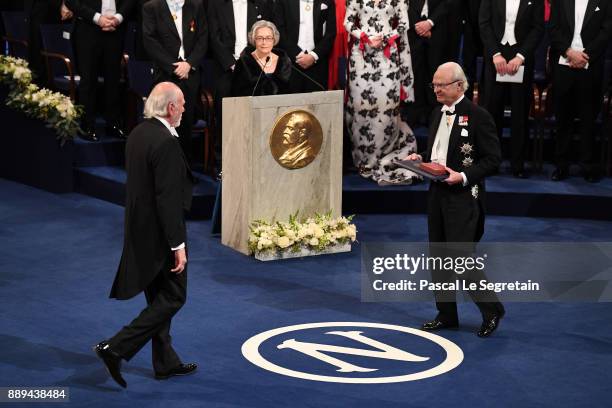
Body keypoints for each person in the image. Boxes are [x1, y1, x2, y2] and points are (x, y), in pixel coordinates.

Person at [93, 82, 196, 388]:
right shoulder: (165, 142)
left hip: (140, 230)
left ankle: (165, 362)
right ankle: (116, 347)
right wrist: (177, 245)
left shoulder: (139, 132)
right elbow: (167, 199)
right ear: (171, 107)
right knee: (174, 297)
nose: (186, 109)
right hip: (161, 234)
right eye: (183, 103)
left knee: (159, 298)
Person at [405, 62, 505, 337]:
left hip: (463, 196)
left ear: (459, 86)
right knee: (437, 256)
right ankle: (446, 313)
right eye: (434, 84)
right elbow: (439, 154)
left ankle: (491, 309)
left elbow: (493, 159)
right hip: (437, 193)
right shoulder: (438, 113)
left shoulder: (478, 116)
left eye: (441, 85)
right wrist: (420, 162)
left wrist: (462, 176)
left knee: (460, 258)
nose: (435, 89)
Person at [344, 0, 417, 186]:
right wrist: (364, 36)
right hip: (360, 56)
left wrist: (385, 38)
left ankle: (383, 155)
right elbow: (348, 21)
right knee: (361, 108)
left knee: (386, 108)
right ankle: (363, 160)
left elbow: (403, 23)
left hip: (387, 56)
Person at [479, 0, 544, 178]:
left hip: (521, 61)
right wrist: (495, 54)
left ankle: (518, 165)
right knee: (492, 114)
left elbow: (538, 28)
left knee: (520, 115)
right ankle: (491, 162)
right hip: (495, 60)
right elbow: (484, 23)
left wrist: (521, 56)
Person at [549, 0, 612, 183]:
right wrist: (569, 52)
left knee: (588, 118)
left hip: (590, 66)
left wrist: (585, 55)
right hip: (563, 64)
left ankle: (588, 165)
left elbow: (606, 31)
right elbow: (553, 29)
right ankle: (561, 165)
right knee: (563, 118)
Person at [208, 0, 272, 178]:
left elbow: (265, 35)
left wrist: (246, 62)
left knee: (254, 117)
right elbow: (214, 37)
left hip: (253, 69)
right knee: (224, 117)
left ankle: (254, 164)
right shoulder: (216, 5)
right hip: (225, 69)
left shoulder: (260, 4)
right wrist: (231, 63)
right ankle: (223, 164)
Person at [142, 0, 208, 165]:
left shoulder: (196, 5)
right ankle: (163, 167)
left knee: (186, 123)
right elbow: (150, 41)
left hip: (190, 74)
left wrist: (189, 64)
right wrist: (173, 67)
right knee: (165, 124)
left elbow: (203, 38)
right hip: (165, 74)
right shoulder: (152, 7)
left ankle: (184, 169)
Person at [65, 0, 134, 141]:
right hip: (87, 29)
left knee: (113, 79)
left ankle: (113, 124)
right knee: (88, 80)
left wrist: (118, 18)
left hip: (116, 29)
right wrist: (98, 18)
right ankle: (87, 125)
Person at [273, 0, 336, 93]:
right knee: (290, 104)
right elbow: (279, 30)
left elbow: (331, 33)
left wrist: (313, 56)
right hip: (290, 64)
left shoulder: (327, 1)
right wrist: (296, 54)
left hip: (317, 64)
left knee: (317, 104)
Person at [404, 0, 450, 127]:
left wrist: (430, 23)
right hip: (413, 31)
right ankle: (415, 114)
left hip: (438, 30)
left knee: (435, 76)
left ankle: (434, 117)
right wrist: (418, 27)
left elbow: (446, 4)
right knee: (415, 73)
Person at [230, 20, 292, 96]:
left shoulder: (284, 61)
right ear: (253, 39)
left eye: (268, 38)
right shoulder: (243, 62)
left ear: (274, 39)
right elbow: (236, 93)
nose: (264, 42)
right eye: (259, 38)